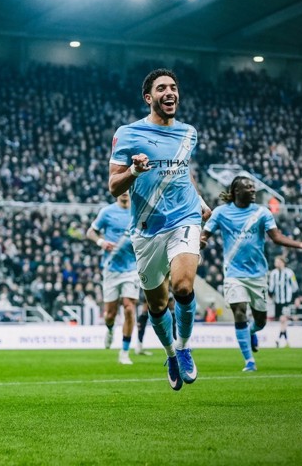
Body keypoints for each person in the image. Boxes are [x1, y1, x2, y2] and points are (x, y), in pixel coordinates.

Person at [108, 69, 209, 391]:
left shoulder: (189, 133)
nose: (170, 92)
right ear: (148, 97)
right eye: (162, 88)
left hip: (184, 218)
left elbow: (182, 172)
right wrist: (134, 170)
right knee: (156, 305)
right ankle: (170, 354)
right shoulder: (128, 133)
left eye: (174, 87)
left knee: (183, 287)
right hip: (147, 228)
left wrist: (200, 201)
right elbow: (113, 186)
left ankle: (184, 346)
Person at [202, 176, 302, 371]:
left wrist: (300, 244)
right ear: (237, 191)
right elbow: (205, 234)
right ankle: (249, 361)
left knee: (261, 321)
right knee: (239, 311)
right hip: (234, 273)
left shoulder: (262, 212)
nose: (253, 190)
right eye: (248, 187)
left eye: (253, 187)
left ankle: (251, 331)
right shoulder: (221, 212)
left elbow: (276, 237)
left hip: (258, 275)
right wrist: (200, 242)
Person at [87, 191, 140, 365]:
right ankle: (110, 330)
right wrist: (101, 242)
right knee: (110, 314)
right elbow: (91, 232)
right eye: (121, 189)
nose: (124, 193)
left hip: (132, 269)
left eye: (127, 189)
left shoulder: (138, 211)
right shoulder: (107, 212)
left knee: (129, 308)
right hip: (111, 269)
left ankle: (124, 351)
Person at [268, 257, 299, 349]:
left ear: (282, 262)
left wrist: (296, 298)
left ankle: (278, 339)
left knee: (283, 320)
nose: (275, 263)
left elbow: (295, 286)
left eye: (277, 261)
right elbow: (271, 288)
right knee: (282, 321)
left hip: (286, 301)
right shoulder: (273, 273)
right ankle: (285, 340)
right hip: (277, 301)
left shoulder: (289, 273)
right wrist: (269, 296)